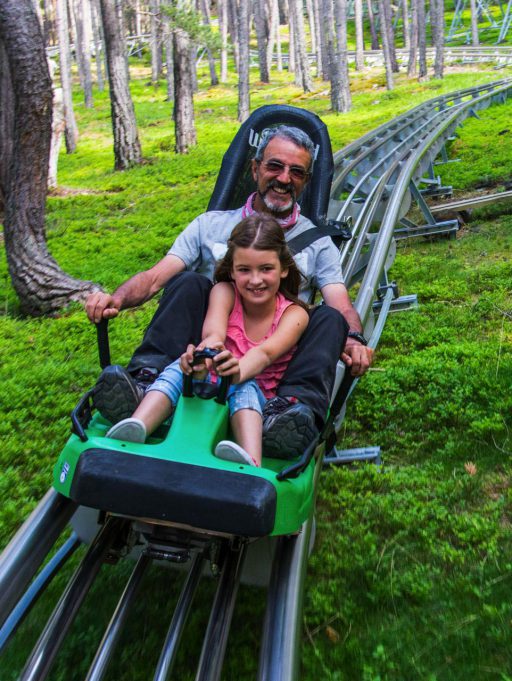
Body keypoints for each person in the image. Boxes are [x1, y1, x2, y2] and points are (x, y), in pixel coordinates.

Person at [85, 125, 374, 457]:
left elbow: (339, 302)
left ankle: (292, 411)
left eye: (296, 172)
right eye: (274, 166)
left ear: (305, 182)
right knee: (190, 283)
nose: (284, 178)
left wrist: (354, 339)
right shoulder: (210, 225)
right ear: (255, 168)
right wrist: (117, 299)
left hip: (279, 351)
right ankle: (145, 381)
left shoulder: (318, 242)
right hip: (209, 348)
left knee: (328, 319)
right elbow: (155, 277)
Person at [106, 215, 310, 467]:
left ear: (284, 268)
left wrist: (236, 372)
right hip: (213, 380)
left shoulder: (294, 314)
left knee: (244, 386)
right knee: (176, 370)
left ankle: (251, 458)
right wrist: (201, 357)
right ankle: (138, 425)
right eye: (244, 270)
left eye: (266, 269)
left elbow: (265, 354)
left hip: (255, 393)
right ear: (232, 271)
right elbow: (214, 334)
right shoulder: (224, 292)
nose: (255, 280)